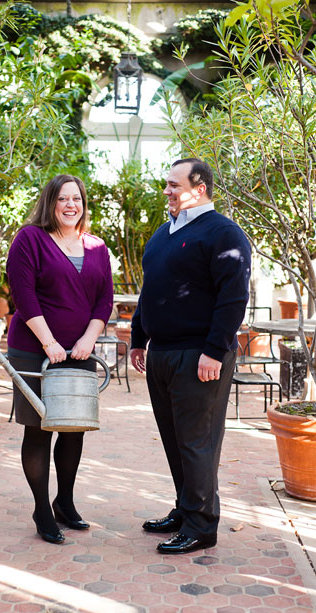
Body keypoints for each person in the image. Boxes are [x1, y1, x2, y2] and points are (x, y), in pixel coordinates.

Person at [130, 158, 251, 555]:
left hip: (200, 356)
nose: (166, 190)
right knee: (175, 440)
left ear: (199, 189)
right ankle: (186, 510)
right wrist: (137, 336)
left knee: (197, 442)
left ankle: (202, 527)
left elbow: (233, 298)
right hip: (162, 354)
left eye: (173, 184)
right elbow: (151, 290)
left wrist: (214, 351)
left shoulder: (224, 233)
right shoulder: (164, 233)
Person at [6, 174, 113, 544]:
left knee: (73, 427)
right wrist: (49, 342)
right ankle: (41, 509)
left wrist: (87, 339)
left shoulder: (97, 247)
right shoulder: (30, 238)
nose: (71, 205)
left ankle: (64, 503)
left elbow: (104, 301)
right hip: (35, 349)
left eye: (77, 199)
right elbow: (24, 295)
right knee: (38, 430)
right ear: (50, 202)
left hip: (80, 350)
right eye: (63, 199)